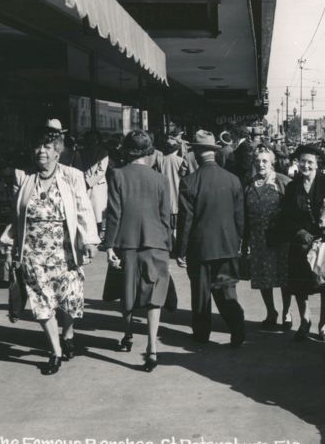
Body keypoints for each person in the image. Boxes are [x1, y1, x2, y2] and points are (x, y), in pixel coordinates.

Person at [4, 121, 99, 375]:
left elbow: (83, 209)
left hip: (64, 250)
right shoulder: (24, 178)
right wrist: (11, 247)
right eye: (37, 146)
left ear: (58, 150)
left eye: (47, 146)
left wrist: (89, 239)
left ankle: (68, 333)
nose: (41, 151)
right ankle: (55, 351)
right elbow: (16, 216)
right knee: (41, 302)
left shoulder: (72, 176)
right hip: (33, 252)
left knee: (68, 300)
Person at [101, 130, 172, 372]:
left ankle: (128, 335)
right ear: (149, 152)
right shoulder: (161, 180)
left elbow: (114, 213)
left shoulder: (117, 175)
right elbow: (166, 217)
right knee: (154, 296)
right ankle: (152, 348)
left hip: (126, 242)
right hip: (156, 243)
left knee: (127, 290)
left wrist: (109, 245)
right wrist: (168, 246)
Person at [176, 130, 246, 347]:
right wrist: (240, 242)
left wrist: (181, 251)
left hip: (200, 248)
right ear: (214, 153)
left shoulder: (189, 182)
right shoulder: (233, 180)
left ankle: (201, 333)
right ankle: (237, 330)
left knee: (201, 293)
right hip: (228, 245)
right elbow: (239, 218)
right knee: (227, 290)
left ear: (196, 153)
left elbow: (185, 221)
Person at [280, 144, 325, 342]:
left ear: (317, 164)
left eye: (310, 162)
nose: (306, 165)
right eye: (302, 161)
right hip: (301, 243)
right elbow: (286, 215)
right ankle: (305, 321)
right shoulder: (293, 186)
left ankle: (323, 324)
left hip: (324, 243)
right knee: (300, 285)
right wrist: (299, 231)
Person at [245, 149, 293, 331]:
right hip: (257, 238)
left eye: (265, 161)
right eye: (257, 161)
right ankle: (271, 311)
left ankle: (287, 312)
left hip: (279, 237)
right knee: (263, 276)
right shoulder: (249, 184)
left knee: (283, 276)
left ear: (272, 162)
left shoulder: (282, 181)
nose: (261, 164)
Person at [76, 131, 109, 239]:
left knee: (98, 212)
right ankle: (89, 234)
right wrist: (84, 180)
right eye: (90, 140)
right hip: (85, 184)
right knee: (87, 211)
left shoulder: (103, 152)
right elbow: (79, 167)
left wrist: (89, 182)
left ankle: (99, 234)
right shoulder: (82, 152)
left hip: (98, 186)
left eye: (94, 139)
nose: (92, 142)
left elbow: (101, 171)